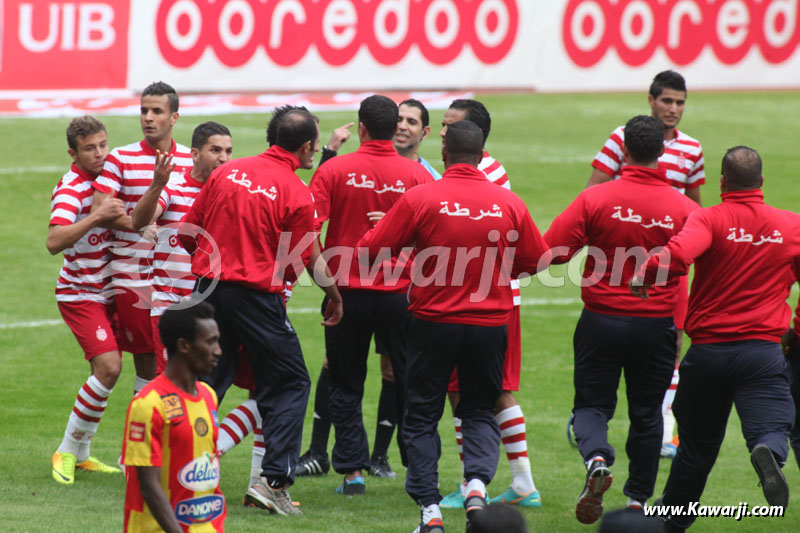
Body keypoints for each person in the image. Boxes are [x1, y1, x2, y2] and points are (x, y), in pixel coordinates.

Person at [357, 120, 550, 532]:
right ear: (483, 156)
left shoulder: (421, 198)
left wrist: (404, 247)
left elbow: (370, 252)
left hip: (432, 324)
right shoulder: (508, 202)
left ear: (444, 154)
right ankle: (476, 485)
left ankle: (429, 511)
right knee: (479, 410)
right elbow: (537, 260)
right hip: (490, 326)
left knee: (422, 414)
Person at [180, 109, 343, 516]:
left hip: (207, 291)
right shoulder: (296, 192)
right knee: (289, 381)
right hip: (254, 297)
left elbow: (187, 233)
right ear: (306, 148)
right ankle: (272, 482)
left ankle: (178, 466)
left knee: (207, 382)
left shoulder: (226, 173)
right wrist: (335, 296)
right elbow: (303, 261)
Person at [631, 146, 796, 531]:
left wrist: (647, 274)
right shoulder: (790, 226)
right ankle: (769, 452)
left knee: (696, 449)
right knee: (773, 426)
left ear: (722, 182)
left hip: (707, 355)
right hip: (761, 352)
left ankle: (671, 523)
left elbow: (678, 256)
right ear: (762, 182)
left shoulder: (709, 219)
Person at [544, 115, 699, 524]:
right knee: (648, 412)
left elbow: (553, 252)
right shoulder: (683, 207)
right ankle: (637, 499)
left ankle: (596, 458)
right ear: (661, 151)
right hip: (657, 325)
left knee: (592, 405)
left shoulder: (594, 199)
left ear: (624, 150)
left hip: (601, 320)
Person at [297, 98, 441, 480]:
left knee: (345, 380)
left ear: (361, 128)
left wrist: (328, 289)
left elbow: (309, 232)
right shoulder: (418, 175)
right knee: (410, 381)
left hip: (347, 294)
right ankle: (419, 470)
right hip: (401, 294)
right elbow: (436, 241)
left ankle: (352, 473)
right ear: (393, 127)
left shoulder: (334, 171)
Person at [587, 70, 705, 458]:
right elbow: (593, 191)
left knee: (672, 344)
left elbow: (697, 211)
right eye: (667, 101)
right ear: (650, 100)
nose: (673, 109)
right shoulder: (622, 139)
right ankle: (598, 417)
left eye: (680, 102)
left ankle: (663, 430)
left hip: (668, 264)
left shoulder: (692, 149)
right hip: (621, 259)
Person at [439, 99, 540, 509]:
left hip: (483, 299)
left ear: (473, 135)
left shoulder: (484, 176)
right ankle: (505, 482)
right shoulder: (481, 171)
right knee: (473, 389)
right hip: (484, 296)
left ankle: (496, 483)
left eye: (451, 126)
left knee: (485, 390)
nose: (442, 132)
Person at [92, 81, 193, 390]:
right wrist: (142, 224)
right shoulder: (121, 158)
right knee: (147, 363)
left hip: (178, 280)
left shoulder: (191, 159)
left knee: (183, 362)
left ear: (174, 118)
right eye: (144, 110)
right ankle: (145, 433)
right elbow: (99, 209)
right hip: (133, 278)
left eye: (157, 111)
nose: (148, 117)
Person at [48, 116, 127, 485]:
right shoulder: (70, 189)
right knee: (109, 368)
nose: (99, 154)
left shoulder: (111, 176)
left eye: (103, 145)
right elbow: (54, 241)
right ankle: (66, 449)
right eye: (90, 149)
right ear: (72, 153)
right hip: (81, 293)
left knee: (109, 373)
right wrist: (97, 216)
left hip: (115, 292)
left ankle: (81, 454)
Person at [131, 121, 233, 368]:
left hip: (212, 309)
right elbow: (139, 221)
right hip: (171, 308)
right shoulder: (174, 187)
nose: (224, 158)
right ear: (195, 154)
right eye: (216, 150)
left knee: (209, 386)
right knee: (170, 383)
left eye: (228, 151)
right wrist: (157, 184)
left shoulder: (231, 191)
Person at [121, 301, 225, 532]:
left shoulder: (208, 396)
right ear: (184, 346)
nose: (218, 350)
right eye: (210, 342)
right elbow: (148, 485)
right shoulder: (148, 404)